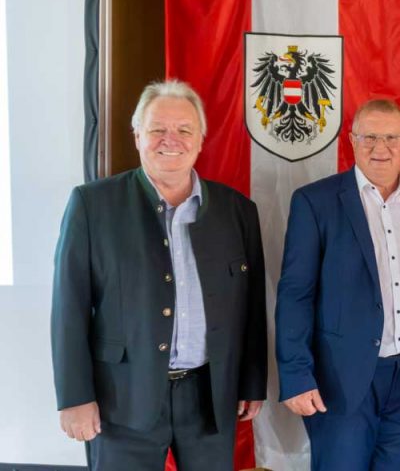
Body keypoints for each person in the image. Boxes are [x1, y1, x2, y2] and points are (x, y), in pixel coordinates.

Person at [51, 80, 267, 470]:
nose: (172, 140)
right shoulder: (93, 205)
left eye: (184, 129)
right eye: (158, 129)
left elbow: (251, 308)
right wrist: (75, 397)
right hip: (121, 398)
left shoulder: (238, 211)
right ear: (137, 136)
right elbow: (69, 309)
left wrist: (252, 383)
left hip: (209, 398)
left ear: (200, 140)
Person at [275, 98, 400, 471]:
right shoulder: (315, 202)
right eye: (369, 137)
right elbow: (295, 295)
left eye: (391, 138)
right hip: (340, 378)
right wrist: (295, 375)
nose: (380, 148)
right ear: (352, 141)